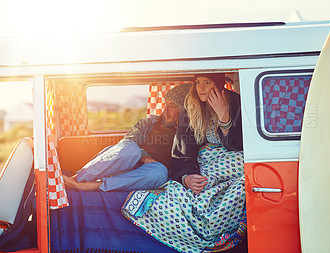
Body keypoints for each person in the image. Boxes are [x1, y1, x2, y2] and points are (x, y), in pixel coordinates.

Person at [122, 73, 246, 253]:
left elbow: (237, 145)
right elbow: (182, 150)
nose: (201, 87)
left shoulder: (236, 103)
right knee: (196, 187)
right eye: (197, 83)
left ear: (219, 85)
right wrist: (186, 177)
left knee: (240, 182)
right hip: (204, 160)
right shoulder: (190, 108)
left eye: (207, 82)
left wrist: (223, 115)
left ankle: (210, 219)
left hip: (234, 159)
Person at [63, 83, 192, 192]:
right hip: (129, 162)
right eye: (166, 104)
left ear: (185, 110)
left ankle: (94, 185)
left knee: (160, 173)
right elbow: (126, 143)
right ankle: (77, 178)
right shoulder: (148, 123)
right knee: (131, 148)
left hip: (147, 173)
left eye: (172, 106)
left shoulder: (190, 134)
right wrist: (144, 156)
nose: (166, 110)